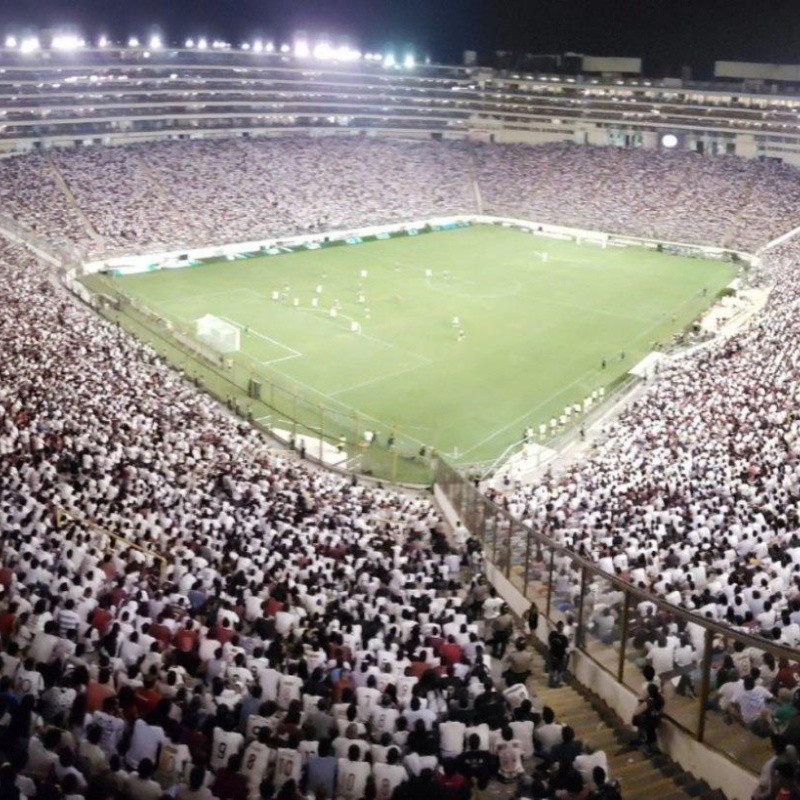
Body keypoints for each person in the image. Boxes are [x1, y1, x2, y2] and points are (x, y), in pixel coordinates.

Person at [548, 622, 569, 688]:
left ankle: (551, 683)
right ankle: (557, 683)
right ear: (562, 628)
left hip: (552, 654)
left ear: (556, 627)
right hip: (560, 657)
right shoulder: (564, 638)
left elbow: (549, 641)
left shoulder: (552, 634)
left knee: (552, 669)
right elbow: (566, 648)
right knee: (560, 671)